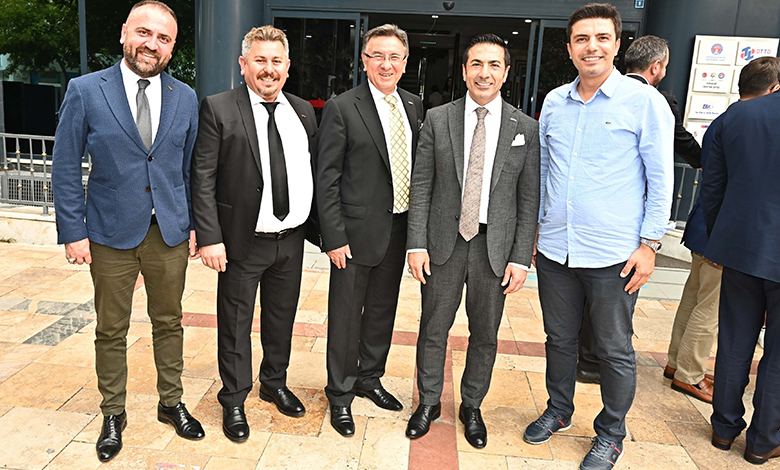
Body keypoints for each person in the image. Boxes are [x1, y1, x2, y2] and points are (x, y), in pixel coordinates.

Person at [51, 0, 204, 462]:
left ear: (172, 48)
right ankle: (113, 412)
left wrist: (195, 224)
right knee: (111, 328)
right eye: (144, 32)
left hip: (169, 233)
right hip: (108, 234)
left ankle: (171, 402)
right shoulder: (85, 90)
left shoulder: (185, 97)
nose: (151, 44)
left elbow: (191, 170)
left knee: (169, 322)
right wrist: (72, 231)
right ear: (124, 33)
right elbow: (64, 165)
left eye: (163, 38)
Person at [523, 4, 674, 470]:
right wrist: (535, 229)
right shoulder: (554, 102)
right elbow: (544, 170)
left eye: (601, 38)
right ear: (569, 48)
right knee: (558, 338)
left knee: (613, 348)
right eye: (582, 39)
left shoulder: (644, 101)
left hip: (615, 255)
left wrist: (650, 244)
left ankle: (611, 433)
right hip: (556, 249)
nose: (592, 47)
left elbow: (661, 178)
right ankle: (558, 409)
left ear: (617, 44)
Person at [405, 33, 540, 448]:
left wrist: (521, 257)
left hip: (493, 249)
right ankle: (428, 402)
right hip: (443, 245)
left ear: (506, 72)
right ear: (464, 72)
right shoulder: (438, 118)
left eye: (494, 64)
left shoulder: (525, 127)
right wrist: (416, 243)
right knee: (433, 328)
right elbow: (422, 185)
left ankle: (472, 405)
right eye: (476, 64)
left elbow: (528, 198)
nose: (485, 73)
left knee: (485, 333)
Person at [191, 25, 318, 443]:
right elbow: (203, 178)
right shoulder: (218, 108)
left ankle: (274, 383)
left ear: (287, 66)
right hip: (242, 242)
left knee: (281, 319)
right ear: (243, 64)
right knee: (235, 324)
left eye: (276, 61)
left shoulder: (303, 111)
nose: (269, 69)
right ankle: (233, 399)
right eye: (260, 60)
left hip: (291, 240)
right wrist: (209, 237)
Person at [577, 34, 704, 385]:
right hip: (625, 225)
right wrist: (650, 241)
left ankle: (587, 358)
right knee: (615, 296)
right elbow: (674, 156)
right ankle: (594, 361)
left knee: (597, 295)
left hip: (604, 223)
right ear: (657, 67)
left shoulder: (618, 97)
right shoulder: (654, 101)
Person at [317, 24, 424, 437]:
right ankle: (340, 393)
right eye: (377, 55)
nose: (386, 64)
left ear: (405, 63)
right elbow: (326, 178)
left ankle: (369, 377)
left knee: (382, 310)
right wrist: (333, 236)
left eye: (394, 56)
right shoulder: (342, 107)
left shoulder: (414, 106)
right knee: (346, 316)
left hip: (398, 228)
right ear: (364, 61)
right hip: (353, 234)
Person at [666, 58, 779, 407]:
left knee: (693, 296)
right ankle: (690, 374)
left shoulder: (725, 119)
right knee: (710, 307)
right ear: (773, 88)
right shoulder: (751, 122)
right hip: (725, 234)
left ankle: (676, 362)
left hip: (705, 225)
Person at [701, 56, 780, 465]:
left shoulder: (736, 115)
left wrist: (719, 239)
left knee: (733, 341)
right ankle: (763, 441)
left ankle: (724, 428)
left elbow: (712, 186)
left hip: (741, 247)